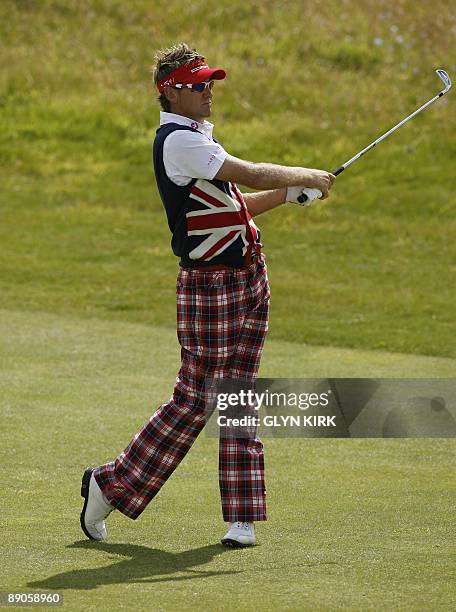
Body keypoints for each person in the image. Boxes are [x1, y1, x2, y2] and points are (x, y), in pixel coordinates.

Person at [80, 43, 335, 547]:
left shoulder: (199, 137)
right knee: (195, 401)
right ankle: (108, 485)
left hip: (249, 278)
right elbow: (253, 173)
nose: (207, 91)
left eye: (209, 82)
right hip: (208, 288)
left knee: (239, 398)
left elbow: (236, 207)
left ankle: (241, 519)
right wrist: (304, 175)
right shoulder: (178, 142)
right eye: (197, 85)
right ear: (170, 92)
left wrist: (287, 196)